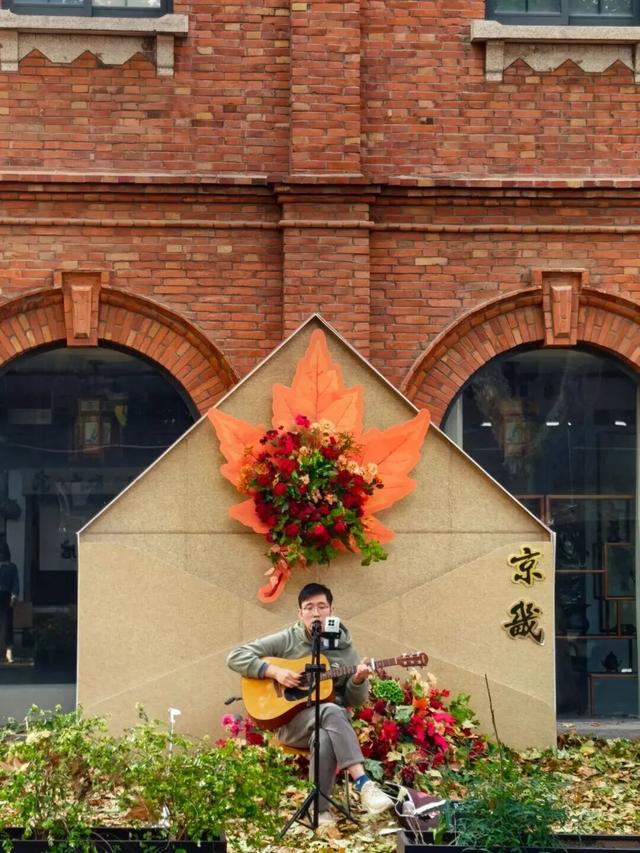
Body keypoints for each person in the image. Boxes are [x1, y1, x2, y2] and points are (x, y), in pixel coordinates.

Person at [227, 582, 394, 825]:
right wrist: (275, 672)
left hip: (328, 723)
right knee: (330, 711)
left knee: (325, 732)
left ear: (331, 610)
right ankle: (363, 783)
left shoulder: (345, 649)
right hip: (289, 724)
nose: (316, 613)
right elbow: (235, 656)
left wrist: (358, 679)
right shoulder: (287, 640)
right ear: (300, 613)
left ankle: (320, 810)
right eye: (309, 607)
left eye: (322, 607)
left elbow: (354, 701)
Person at [0, 543, 19, 664]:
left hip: (6, 596)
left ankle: (8, 650)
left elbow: (15, 582)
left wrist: (14, 595)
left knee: (7, 624)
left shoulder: (12, 567)